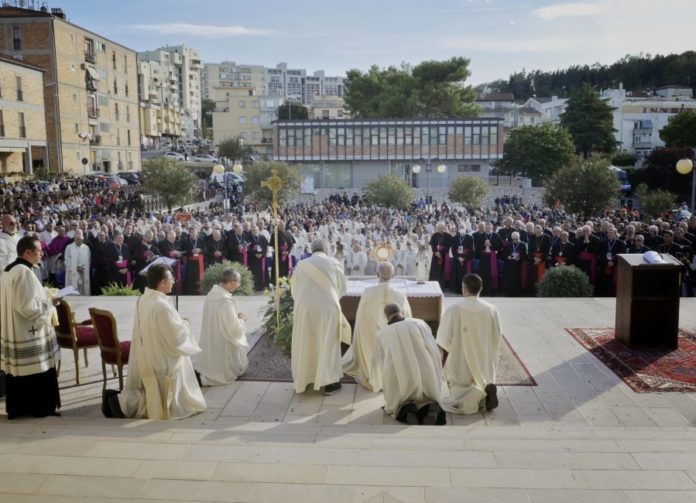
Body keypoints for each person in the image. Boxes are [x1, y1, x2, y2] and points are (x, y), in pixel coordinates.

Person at [118, 263, 207, 419]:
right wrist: (185, 324)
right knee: (182, 359)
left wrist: (177, 321)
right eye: (171, 279)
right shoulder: (162, 306)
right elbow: (175, 339)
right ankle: (171, 404)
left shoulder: (143, 299)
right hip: (161, 360)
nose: (174, 282)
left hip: (147, 354)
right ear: (163, 283)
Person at [1, 235, 61, 419]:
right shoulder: (23, 272)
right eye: (38, 251)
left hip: (16, 329)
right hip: (27, 332)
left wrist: (44, 294)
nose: (42, 254)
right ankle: (40, 408)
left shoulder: (9, 270)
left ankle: (19, 408)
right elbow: (26, 306)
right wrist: (50, 304)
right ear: (27, 252)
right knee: (36, 369)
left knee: (20, 373)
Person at [290, 238, 351, 395]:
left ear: (312, 249)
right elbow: (343, 289)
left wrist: (306, 301)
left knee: (307, 342)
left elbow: (294, 290)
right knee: (328, 343)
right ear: (326, 249)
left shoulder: (301, 265)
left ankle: (306, 379)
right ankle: (329, 383)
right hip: (327, 309)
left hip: (305, 309)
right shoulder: (334, 263)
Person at [436, 273, 502, 415]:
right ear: (481, 289)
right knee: (481, 378)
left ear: (464, 289)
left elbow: (443, 339)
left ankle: (478, 396)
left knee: (457, 391)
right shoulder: (491, 309)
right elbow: (497, 335)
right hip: (483, 358)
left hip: (461, 360)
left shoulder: (454, 309)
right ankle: (485, 389)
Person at [370, 303, 446, 425]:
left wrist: (377, 382)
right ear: (403, 312)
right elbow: (433, 349)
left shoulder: (383, 333)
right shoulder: (419, 323)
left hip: (402, 378)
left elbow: (378, 361)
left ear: (386, 316)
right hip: (427, 374)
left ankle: (409, 410)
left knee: (399, 399)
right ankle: (432, 407)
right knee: (429, 397)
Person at [342, 262, 412, 391]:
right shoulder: (399, 294)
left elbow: (360, 318)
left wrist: (360, 338)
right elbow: (407, 317)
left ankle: (370, 368)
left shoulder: (368, 292)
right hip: (392, 335)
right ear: (394, 275)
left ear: (377, 274)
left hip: (370, 335)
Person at [195, 268, 248, 386]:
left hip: (211, 339)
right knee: (240, 368)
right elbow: (233, 330)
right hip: (223, 345)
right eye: (238, 282)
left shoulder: (211, 294)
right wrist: (241, 320)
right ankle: (206, 378)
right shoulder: (226, 301)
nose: (239, 285)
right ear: (232, 282)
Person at [64, 229, 91, 295]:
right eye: (77, 239)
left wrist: (84, 268)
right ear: (74, 238)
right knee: (73, 290)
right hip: (72, 273)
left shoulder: (86, 248)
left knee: (83, 290)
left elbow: (89, 260)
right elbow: (67, 260)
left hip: (83, 272)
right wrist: (76, 268)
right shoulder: (69, 247)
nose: (79, 241)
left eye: (81, 239)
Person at [428, 222, 453, 290]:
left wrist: (442, 252)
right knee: (435, 271)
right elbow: (432, 245)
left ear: (444, 227)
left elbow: (449, 246)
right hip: (436, 256)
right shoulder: (434, 235)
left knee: (443, 272)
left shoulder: (448, 236)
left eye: (442, 227)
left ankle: (443, 286)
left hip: (444, 256)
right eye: (439, 227)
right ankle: (432, 286)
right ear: (437, 228)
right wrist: (435, 252)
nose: (440, 229)